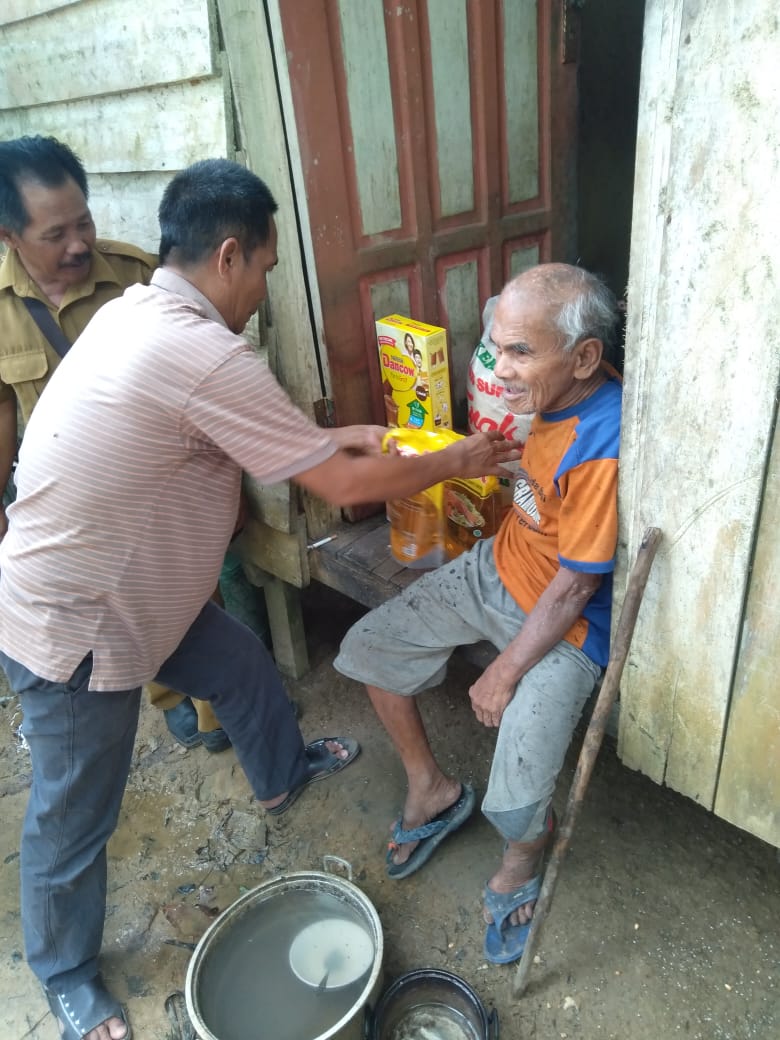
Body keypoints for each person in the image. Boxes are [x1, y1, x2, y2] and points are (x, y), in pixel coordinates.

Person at [0, 157, 517, 1040]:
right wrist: (455, 460)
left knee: (239, 662)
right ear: (230, 255)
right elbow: (338, 482)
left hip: (144, 593)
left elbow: (263, 434)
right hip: (81, 622)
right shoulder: (199, 348)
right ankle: (66, 973)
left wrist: (347, 433)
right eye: (269, 271)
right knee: (74, 808)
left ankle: (282, 776)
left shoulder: (141, 311)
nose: (264, 291)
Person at [334, 263, 622, 966]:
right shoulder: (555, 402)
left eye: (521, 351)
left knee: (515, 800)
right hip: (498, 567)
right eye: (496, 346)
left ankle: (521, 863)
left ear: (585, 357)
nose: (501, 367)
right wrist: (503, 466)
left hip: (565, 628)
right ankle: (431, 790)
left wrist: (506, 673)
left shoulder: (603, 442)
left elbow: (577, 587)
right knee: (371, 649)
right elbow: (545, 495)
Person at [0, 134, 231, 751]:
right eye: (55, 235)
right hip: (75, 508)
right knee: (114, 616)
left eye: (85, 222)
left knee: (192, 593)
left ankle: (215, 702)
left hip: (163, 487)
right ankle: (166, 693)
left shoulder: (133, 274)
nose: (79, 244)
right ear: (9, 236)